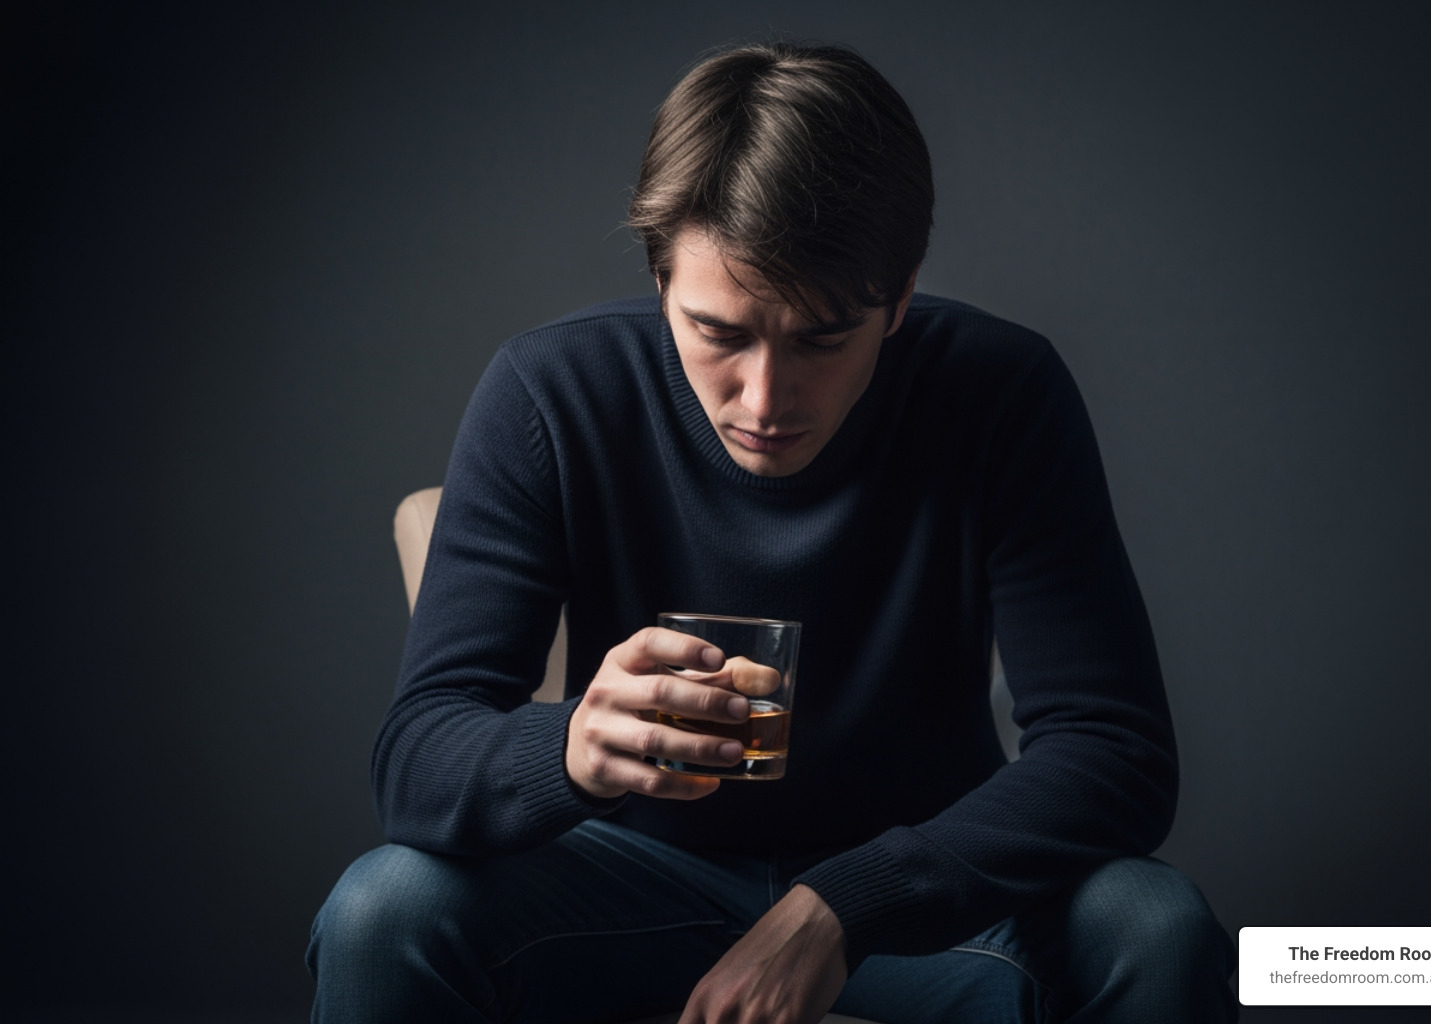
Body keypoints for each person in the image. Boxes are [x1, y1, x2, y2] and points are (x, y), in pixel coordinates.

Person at [308, 42, 1238, 1023]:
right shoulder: (553, 392)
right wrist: (574, 745)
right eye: (719, 331)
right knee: (383, 909)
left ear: (901, 296)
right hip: (625, 880)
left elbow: (1113, 750)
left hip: (922, 892)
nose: (765, 399)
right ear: (661, 281)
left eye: (822, 337)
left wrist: (849, 900)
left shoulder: (999, 391)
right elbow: (417, 756)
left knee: (1155, 923)